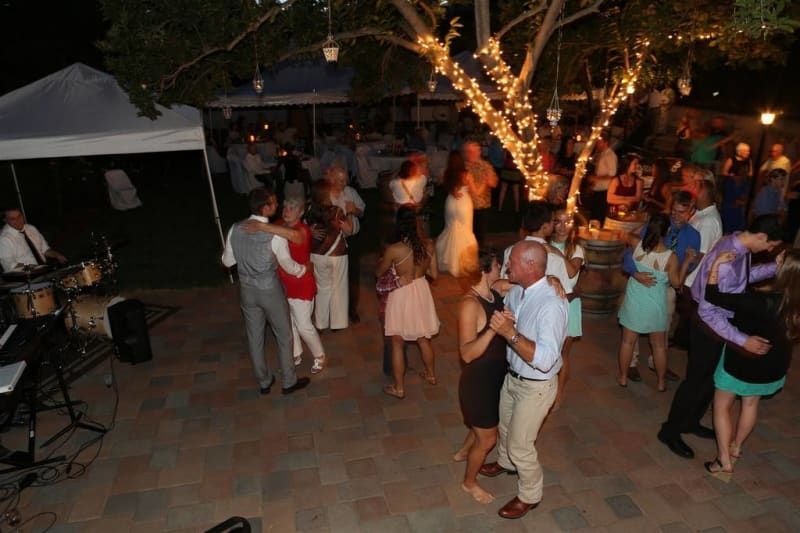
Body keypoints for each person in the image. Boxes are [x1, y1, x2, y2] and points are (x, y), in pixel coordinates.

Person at [658, 215, 784, 459]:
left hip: (718, 323)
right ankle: (670, 431)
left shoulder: (737, 241)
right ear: (761, 236)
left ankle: (690, 422)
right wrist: (742, 340)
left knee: (710, 380)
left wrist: (775, 267)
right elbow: (708, 310)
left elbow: (744, 278)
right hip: (708, 325)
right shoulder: (728, 258)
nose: (768, 250)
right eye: (770, 245)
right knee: (695, 381)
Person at [480, 241, 567, 520]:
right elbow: (497, 287)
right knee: (505, 427)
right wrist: (511, 319)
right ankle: (506, 463)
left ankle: (530, 494)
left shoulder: (552, 305)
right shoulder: (519, 289)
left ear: (530, 266)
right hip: (514, 376)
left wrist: (510, 333)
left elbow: (545, 360)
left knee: (521, 444)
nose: (507, 267)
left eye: (512, 263)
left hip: (537, 386)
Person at [702, 249, 798, 477]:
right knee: (751, 404)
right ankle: (736, 446)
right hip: (773, 365)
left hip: (742, 363)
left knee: (722, 405)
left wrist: (715, 267)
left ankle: (723, 460)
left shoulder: (762, 301)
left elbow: (715, 296)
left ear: (783, 269)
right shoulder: (794, 303)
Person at [221, 187, 310, 395]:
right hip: (270, 290)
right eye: (274, 202)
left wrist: (245, 257)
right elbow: (287, 264)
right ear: (265, 207)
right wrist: (302, 270)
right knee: (284, 335)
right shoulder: (275, 236)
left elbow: (227, 261)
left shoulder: (235, 228)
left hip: (247, 291)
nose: (277, 205)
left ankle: (264, 381)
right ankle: (288, 381)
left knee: (254, 337)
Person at [623, 191, 701, 382]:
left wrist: (682, 270)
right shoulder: (658, 225)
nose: (676, 216)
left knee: (662, 327)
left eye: (682, 212)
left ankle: (657, 364)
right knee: (632, 326)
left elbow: (691, 264)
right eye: (674, 211)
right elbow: (630, 250)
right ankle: (631, 363)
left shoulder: (693, 236)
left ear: (691, 212)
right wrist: (634, 272)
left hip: (666, 287)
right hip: (641, 282)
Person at [453, 249, 507, 504]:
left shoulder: (494, 291)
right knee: (488, 438)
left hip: (495, 376)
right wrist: (493, 330)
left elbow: (522, 281)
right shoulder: (470, 305)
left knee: (482, 424)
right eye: (498, 265)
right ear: (486, 270)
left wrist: (551, 280)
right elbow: (466, 353)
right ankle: (469, 483)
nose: (502, 269)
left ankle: (463, 450)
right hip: (478, 382)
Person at [377, 207, 439, 399]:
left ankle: (399, 387)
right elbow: (434, 275)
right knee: (423, 338)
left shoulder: (394, 249)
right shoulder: (428, 245)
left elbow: (379, 272)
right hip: (421, 290)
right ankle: (430, 375)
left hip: (402, 293)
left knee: (397, 341)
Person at [277, 197, 326, 374]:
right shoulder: (280, 223)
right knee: (289, 321)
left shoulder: (302, 231)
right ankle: (296, 353)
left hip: (301, 282)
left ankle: (319, 355)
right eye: (285, 206)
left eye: (292, 208)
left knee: (304, 324)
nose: (286, 210)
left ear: (301, 212)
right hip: (283, 283)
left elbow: (283, 235)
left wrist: (260, 225)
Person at [547, 206, 584, 409]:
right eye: (557, 221)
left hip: (569, 304)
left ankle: (559, 393)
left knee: (562, 354)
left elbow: (571, 273)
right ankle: (545, 390)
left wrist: (556, 253)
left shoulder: (577, 249)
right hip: (548, 303)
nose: (562, 227)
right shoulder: (544, 244)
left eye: (567, 222)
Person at [309, 181, 352, 331]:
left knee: (322, 288)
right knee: (338, 287)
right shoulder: (337, 211)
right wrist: (350, 212)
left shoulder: (309, 210)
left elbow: (303, 228)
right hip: (337, 253)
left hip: (317, 254)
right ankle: (337, 323)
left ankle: (321, 324)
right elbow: (348, 230)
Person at [326, 164, 365, 323]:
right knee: (332, 277)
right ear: (331, 179)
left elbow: (362, 212)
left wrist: (354, 210)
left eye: (345, 180)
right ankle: (334, 310)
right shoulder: (326, 196)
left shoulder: (351, 192)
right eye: (339, 180)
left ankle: (351, 309)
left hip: (352, 240)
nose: (343, 184)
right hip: (333, 242)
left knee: (353, 276)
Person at [436, 152, 478, 277]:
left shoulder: (446, 173)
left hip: (450, 202)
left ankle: (449, 261)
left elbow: (441, 184)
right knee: (465, 231)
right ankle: (462, 263)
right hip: (464, 203)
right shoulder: (466, 174)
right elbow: (474, 191)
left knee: (450, 229)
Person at [0, 208, 66, 272]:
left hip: (44, 270)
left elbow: (45, 250)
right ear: (5, 220)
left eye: (19, 216)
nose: (18, 220)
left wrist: (57, 255)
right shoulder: (3, 239)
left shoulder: (31, 228)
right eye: (13, 219)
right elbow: (8, 265)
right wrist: (34, 269)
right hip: (25, 276)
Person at [462, 141, 498, 244]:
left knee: (479, 233)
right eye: (469, 151)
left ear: (479, 152)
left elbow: (494, 183)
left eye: (474, 151)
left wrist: (488, 181)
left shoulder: (486, 166)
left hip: (482, 205)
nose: (471, 154)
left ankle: (478, 252)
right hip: (466, 204)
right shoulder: (463, 166)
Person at [582, 135, 618, 223]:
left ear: (606, 143)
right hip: (598, 189)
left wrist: (596, 178)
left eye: (599, 142)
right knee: (593, 214)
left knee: (598, 216)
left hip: (604, 191)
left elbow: (612, 174)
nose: (597, 144)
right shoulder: (601, 154)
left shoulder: (610, 155)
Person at [720, 143, 753, 233]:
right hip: (731, 188)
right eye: (746, 151)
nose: (748, 153)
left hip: (741, 186)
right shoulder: (731, 160)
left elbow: (750, 174)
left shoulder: (748, 161)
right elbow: (724, 173)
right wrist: (732, 177)